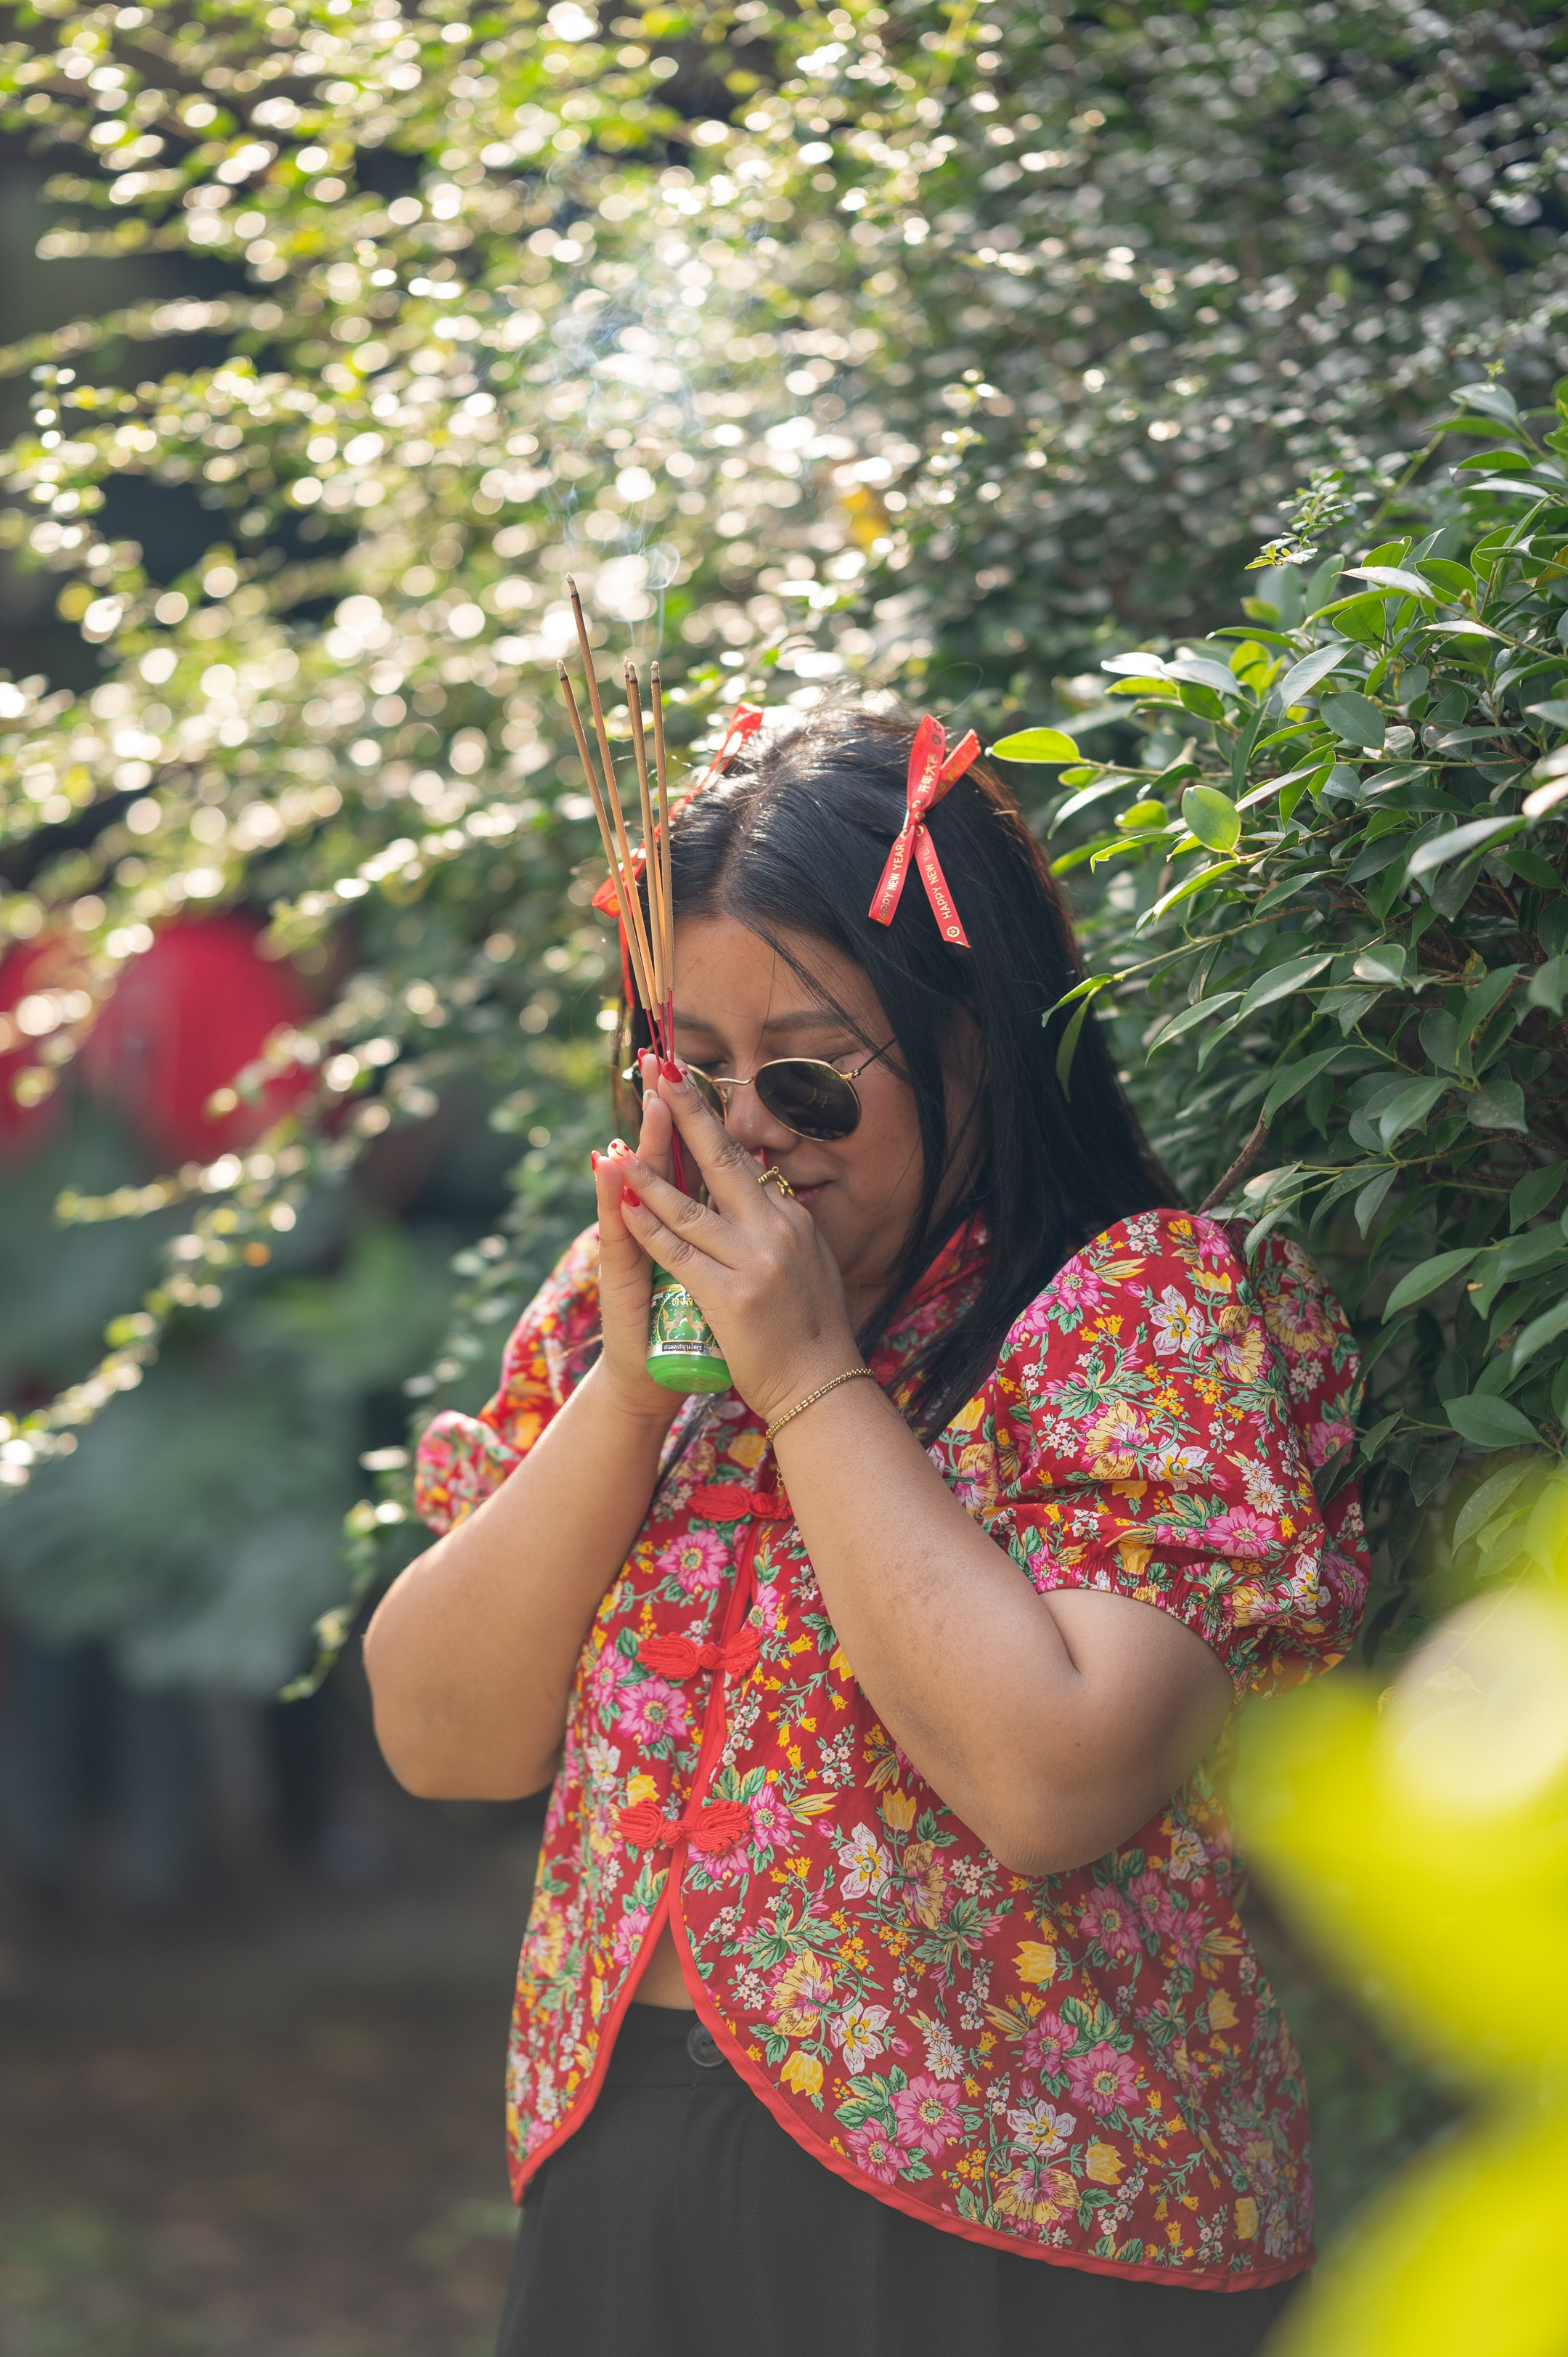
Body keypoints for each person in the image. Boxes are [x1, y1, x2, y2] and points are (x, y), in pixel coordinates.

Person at [364, 709, 1368, 2357]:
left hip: (1028, 2219)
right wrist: (631, 1391)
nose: (749, 1130)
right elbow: (443, 1737)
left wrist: (814, 1379)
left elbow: (1057, 1780)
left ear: (974, 1041)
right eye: (695, 1067)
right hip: (622, 2172)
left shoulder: (1144, 1308)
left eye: (811, 1075)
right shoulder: (639, 1320)